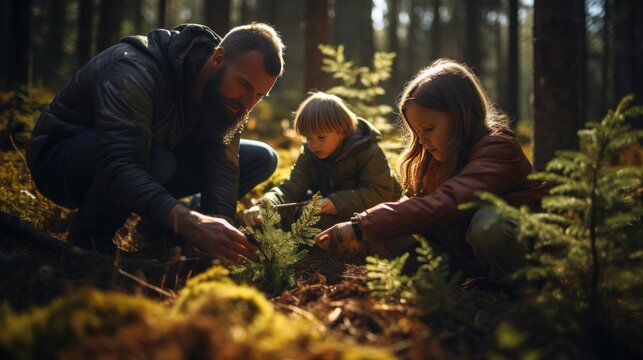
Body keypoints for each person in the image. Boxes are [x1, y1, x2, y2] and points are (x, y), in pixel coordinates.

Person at [25, 23, 285, 264]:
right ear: (218, 59)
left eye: (260, 95)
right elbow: (119, 162)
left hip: (148, 157)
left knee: (261, 157)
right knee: (158, 160)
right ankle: (90, 238)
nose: (249, 103)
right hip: (60, 161)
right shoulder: (137, 70)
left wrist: (221, 229)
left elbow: (222, 166)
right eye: (245, 85)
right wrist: (186, 221)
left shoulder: (230, 99)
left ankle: (159, 229)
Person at [315, 59, 548, 286]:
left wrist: (361, 226)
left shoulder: (497, 148)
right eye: (417, 131)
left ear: (461, 114)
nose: (422, 139)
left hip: (519, 250)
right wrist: (362, 225)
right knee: (397, 227)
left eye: (429, 128)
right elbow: (418, 204)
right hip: (461, 252)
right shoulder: (438, 156)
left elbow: (448, 202)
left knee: (488, 226)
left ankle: (516, 288)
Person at [240, 92, 401, 232]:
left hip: (379, 219)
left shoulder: (368, 152)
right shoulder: (310, 155)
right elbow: (292, 187)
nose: (314, 144)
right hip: (335, 216)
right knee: (302, 217)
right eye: (308, 137)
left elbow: (380, 193)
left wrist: (335, 202)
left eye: (321, 137)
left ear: (342, 131)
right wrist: (266, 204)